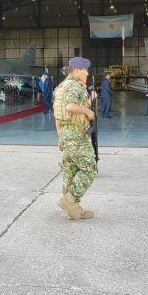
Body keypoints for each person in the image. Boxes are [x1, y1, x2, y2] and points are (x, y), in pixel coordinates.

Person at [52, 57, 96, 220]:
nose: (87, 73)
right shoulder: (75, 85)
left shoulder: (61, 86)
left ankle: (74, 208)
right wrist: (88, 112)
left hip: (65, 132)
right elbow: (71, 106)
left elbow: (58, 114)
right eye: (85, 70)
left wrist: (60, 137)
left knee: (71, 170)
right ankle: (69, 200)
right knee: (90, 168)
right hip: (76, 134)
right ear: (77, 70)